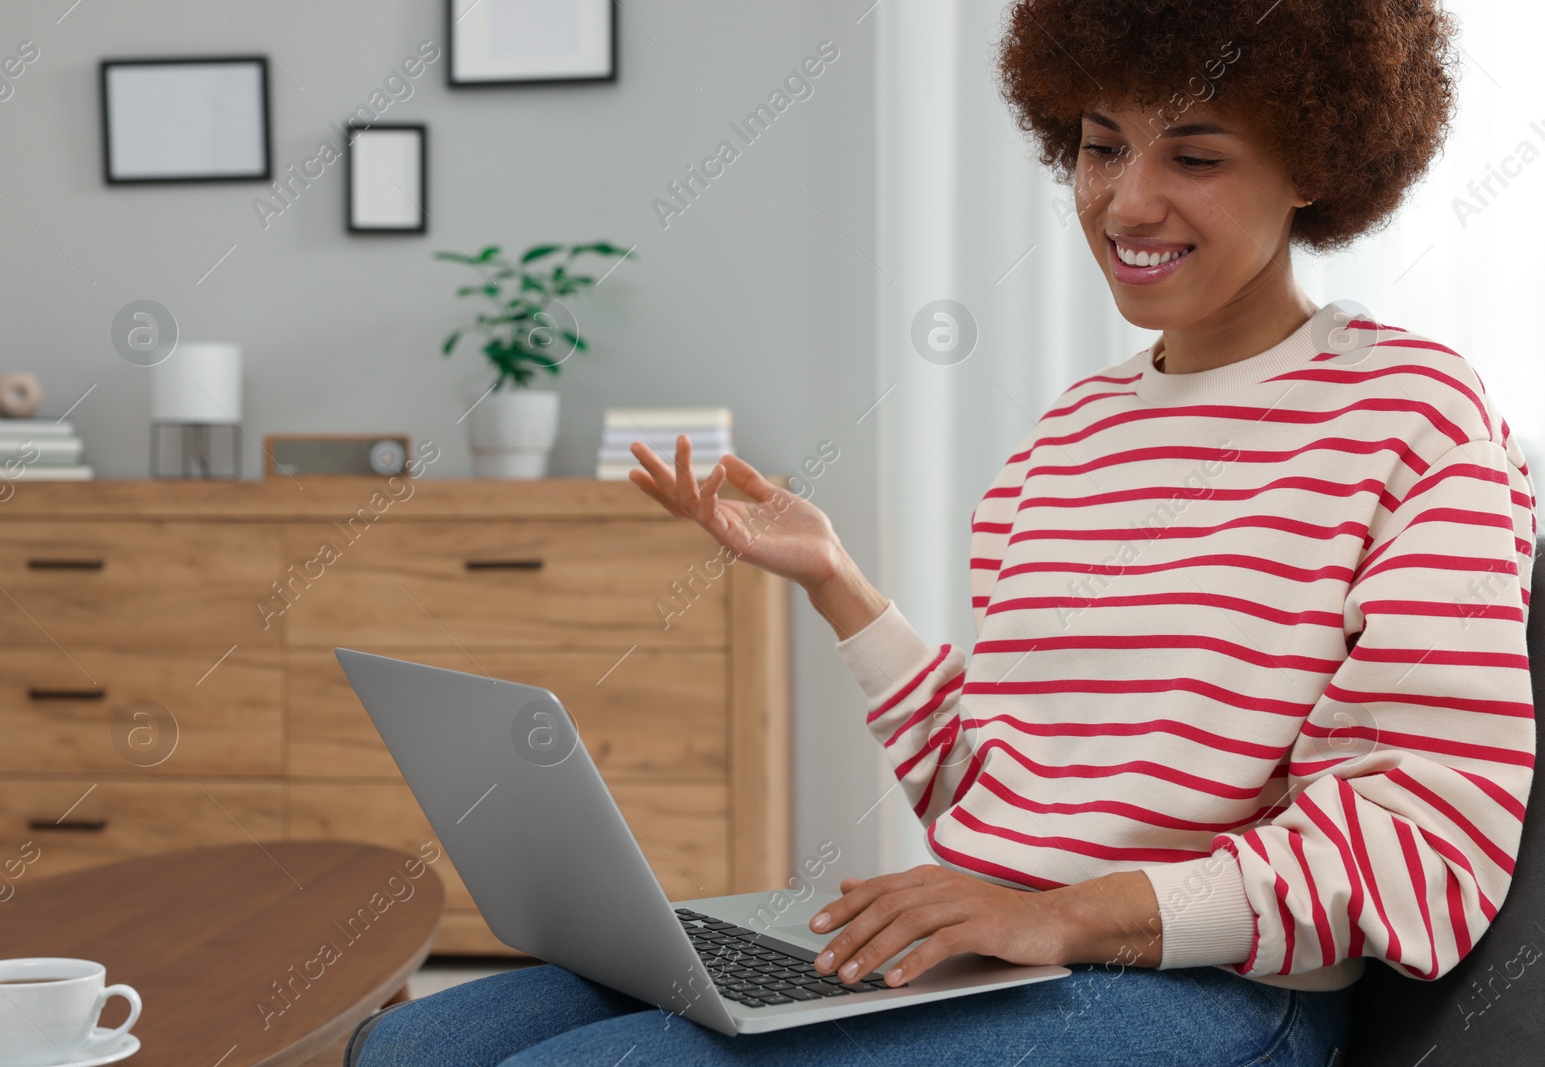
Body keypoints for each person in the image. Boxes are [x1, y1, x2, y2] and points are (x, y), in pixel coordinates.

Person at [351, 1, 1534, 1063]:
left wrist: (1068, 910)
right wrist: (837, 585)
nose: (1127, 201)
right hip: (1003, 934)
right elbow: (992, 784)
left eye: (1197, 155)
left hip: (1218, 984)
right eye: (1100, 144)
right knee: (423, 1044)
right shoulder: (1061, 441)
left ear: (1314, 165)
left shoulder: (1409, 413)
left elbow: (1426, 829)